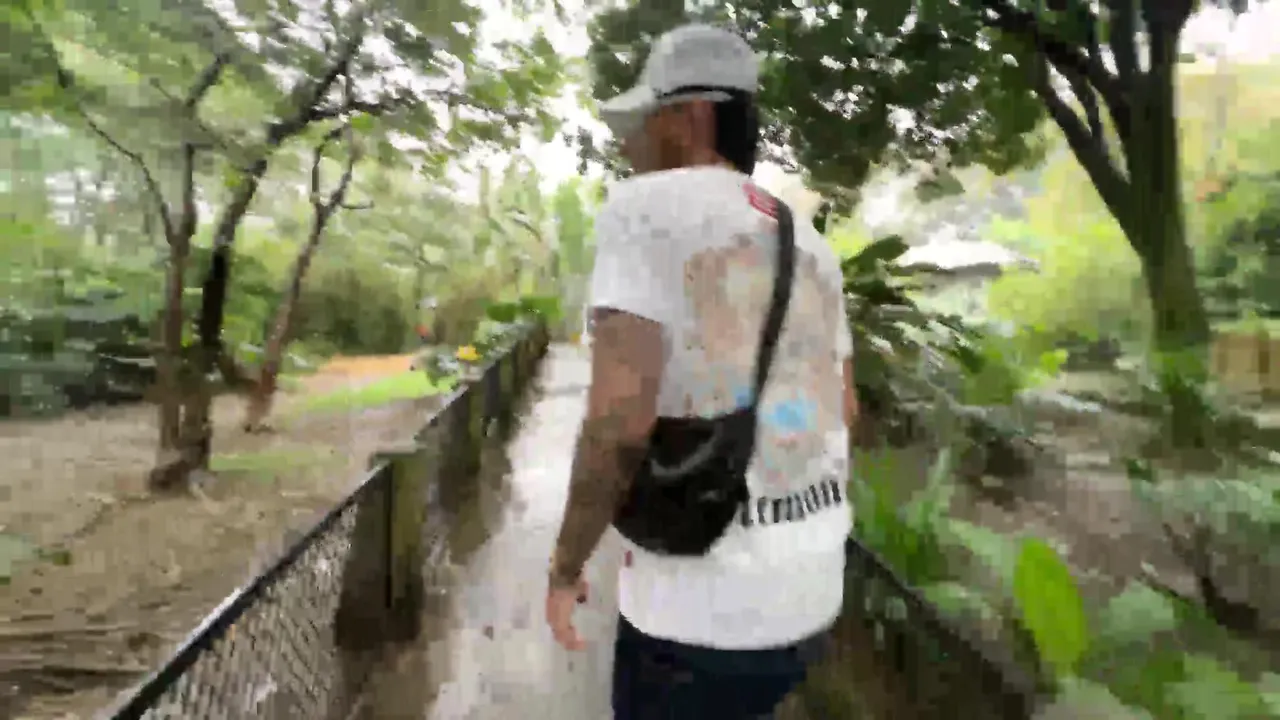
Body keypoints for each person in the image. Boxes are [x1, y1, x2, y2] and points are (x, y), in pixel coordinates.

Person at [544, 23, 858, 720]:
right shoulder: (810, 242)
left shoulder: (643, 208)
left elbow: (618, 425)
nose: (631, 143)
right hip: (811, 598)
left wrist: (565, 568)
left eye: (645, 121)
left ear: (691, 117)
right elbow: (844, 409)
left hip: (698, 619)